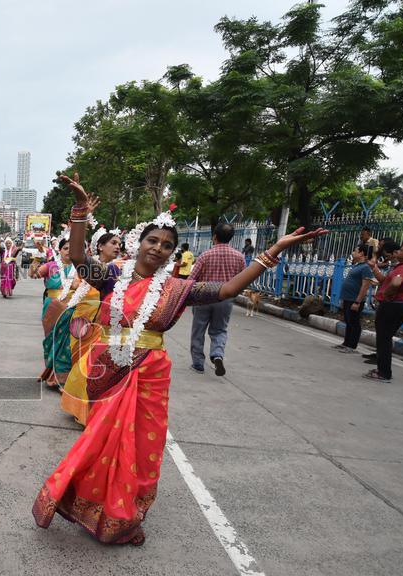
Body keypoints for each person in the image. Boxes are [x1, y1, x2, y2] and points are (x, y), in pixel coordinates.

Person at [32, 173, 324, 544]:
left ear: (173, 253)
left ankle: (122, 515)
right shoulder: (110, 278)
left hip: (151, 371)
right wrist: (78, 211)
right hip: (110, 367)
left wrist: (274, 250)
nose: (158, 248)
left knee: (140, 447)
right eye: (152, 240)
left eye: (167, 245)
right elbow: (76, 256)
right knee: (103, 442)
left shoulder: (178, 289)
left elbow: (229, 288)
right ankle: (90, 502)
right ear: (139, 243)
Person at [62, 227, 123, 425]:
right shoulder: (94, 268)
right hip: (82, 319)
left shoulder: (121, 269)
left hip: (104, 326)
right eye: (113, 243)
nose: (117, 246)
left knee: (92, 369)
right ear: (100, 246)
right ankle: (82, 406)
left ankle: (91, 411)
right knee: (79, 363)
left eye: (119, 244)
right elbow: (75, 282)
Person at [187, 222, 246, 376]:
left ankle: (198, 363)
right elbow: (243, 279)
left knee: (198, 331)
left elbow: (192, 278)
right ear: (231, 238)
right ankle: (217, 354)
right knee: (219, 330)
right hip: (225, 299)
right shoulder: (239, 257)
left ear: (214, 236)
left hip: (203, 297)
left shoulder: (205, 255)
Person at [363, 241, 403, 382]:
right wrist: (374, 268)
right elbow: (384, 281)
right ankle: (382, 370)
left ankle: (383, 373)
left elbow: (395, 283)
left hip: (392, 306)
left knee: (383, 340)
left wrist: (387, 296)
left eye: (401, 250)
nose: (397, 252)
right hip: (401, 307)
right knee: (385, 339)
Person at [36, 237, 81, 390]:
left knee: (67, 344)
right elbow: (34, 274)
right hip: (52, 308)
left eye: (72, 249)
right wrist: (35, 262)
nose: (69, 252)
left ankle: (62, 379)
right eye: (66, 248)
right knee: (51, 341)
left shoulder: (81, 268)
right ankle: (50, 374)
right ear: (59, 250)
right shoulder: (51, 266)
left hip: (72, 307)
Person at [332, 245, 374, 354]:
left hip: (355, 300)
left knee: (354, 322)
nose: (353, 252)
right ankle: (346, 343)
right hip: (348, 298)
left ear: (361, 253)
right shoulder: (357, 266)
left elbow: (365, 286)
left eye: (355, 250)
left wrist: (357, 302)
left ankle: (352, 346)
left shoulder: (365, 267)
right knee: (348, 321)